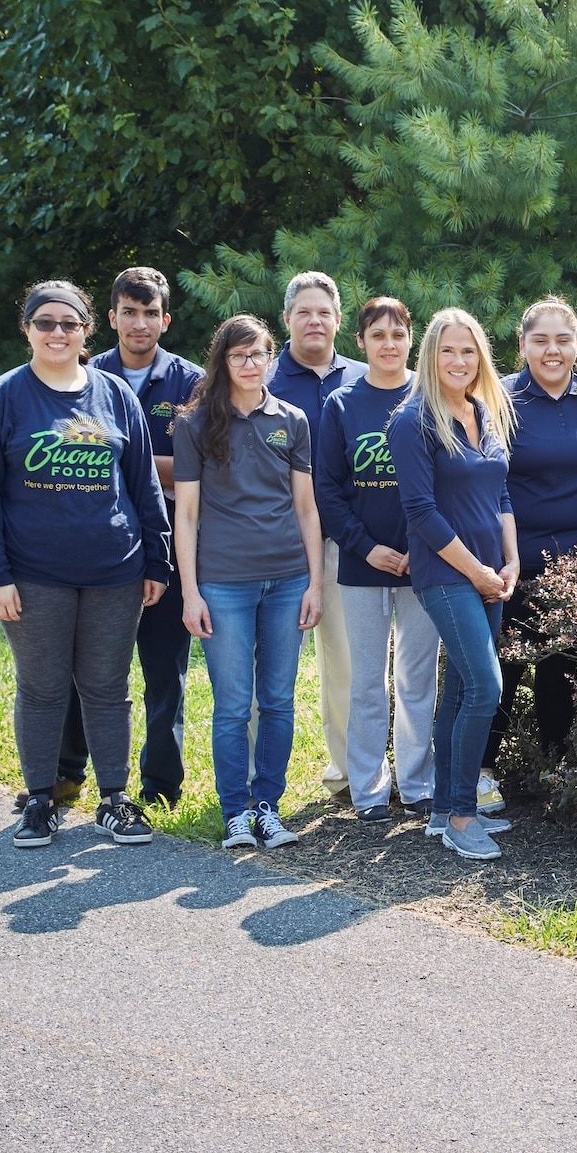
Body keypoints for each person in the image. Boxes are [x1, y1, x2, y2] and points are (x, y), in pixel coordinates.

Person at [0, 281, 169, 849]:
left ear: (86, 331)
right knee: (43, 687)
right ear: (26, 328)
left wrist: (157, 558)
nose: (58, 333)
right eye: (45, 322)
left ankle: (115, 800)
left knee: (108, 687)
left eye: (69, 324)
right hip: (33, 574)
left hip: (117, 571)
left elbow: (143, 485)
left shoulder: (114, 395)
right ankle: (39, 800)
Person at [173, 315, 323, 850]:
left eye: (258, 354)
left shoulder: (293, 419)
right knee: (233, 704)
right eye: (239, 356)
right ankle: (235, 811)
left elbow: (307, 508)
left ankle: (268, 807)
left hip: (287, 581)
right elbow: (185, 517)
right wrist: (190, 592)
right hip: (224, 584)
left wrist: (314, 584)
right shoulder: (194, 424)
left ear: (270, 357)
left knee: (278, 701)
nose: (250, 365)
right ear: (223, 361)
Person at [55, 267, 203, 807]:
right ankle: (67, 771)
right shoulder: (81, 374)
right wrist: (150, 466)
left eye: (150, 313)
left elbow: (200, 467)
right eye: (128, 312)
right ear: (111, 317)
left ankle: (161, 785)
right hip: (99, 543)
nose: (139, 323)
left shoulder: (190, 382)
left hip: (170, 542)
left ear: (165, 319)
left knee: (166, 670)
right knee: (85, 666)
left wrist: (120, 463)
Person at [389, 308, 520, 863]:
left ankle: (443, 808)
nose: (459, 361)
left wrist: (510, 563)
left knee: (464, 688)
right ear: (430, 355)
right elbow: (420, 513)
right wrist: (477, 572)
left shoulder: (484, 412)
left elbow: (502, 498)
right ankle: (464, 817)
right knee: (485, 688)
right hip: (446, 575)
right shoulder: (413, 420)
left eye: (469, 351)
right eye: (448, 350)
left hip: (491, 572)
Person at [316, 297, 440, 824]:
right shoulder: (342, 404)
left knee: (417, 678)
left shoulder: (432, 397)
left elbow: (449, 482)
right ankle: (368, 790)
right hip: (362, 565)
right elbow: (328, 488)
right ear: (360, 342)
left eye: (398, 335)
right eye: (378, 335)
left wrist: (424, 547)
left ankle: (416, 784)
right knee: (367, 680)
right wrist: (366, 547)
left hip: (425, 563)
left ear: (411, 340)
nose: (389, 344)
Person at [487, 297, 577, 776]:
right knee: (501, 673)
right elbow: (485, 479)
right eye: (540, 341)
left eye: (563, 340)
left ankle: (555, 774)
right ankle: (479, 776)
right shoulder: (498, 397)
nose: (552, 351)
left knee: (562, 674)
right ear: (522, 346)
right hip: (514, 566)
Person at [266, 271, 367, 801]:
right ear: (287, 320)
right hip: (277, 545)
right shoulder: (261, 378)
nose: (314, 321)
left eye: (323, 312)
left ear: (337, 320)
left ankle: (348, 776)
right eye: (303, 312)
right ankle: (258, 790)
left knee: (349, 665)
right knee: (272, 673)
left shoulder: (367, 379)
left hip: (346, 542)